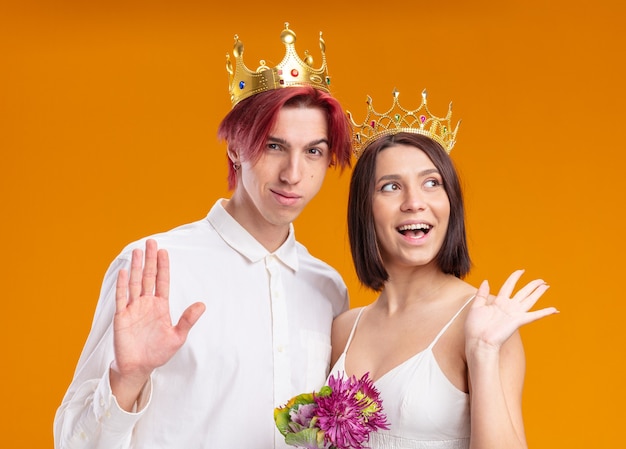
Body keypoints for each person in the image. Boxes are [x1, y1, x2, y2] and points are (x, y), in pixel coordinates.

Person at [54, 23, 352, 449]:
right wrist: (127, 380)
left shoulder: (328, 287)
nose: (293, 174)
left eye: (314, 151)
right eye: (273, 146)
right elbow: (71, 442)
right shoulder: (152, 267)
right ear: (235, 146)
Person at [329, 90, 558, 449]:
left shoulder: (485, 323)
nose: (414, 202)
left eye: (431, 183)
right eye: (391, 187)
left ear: (451, 200)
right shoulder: (344, 329)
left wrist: (482, 351)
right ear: (364, 208)